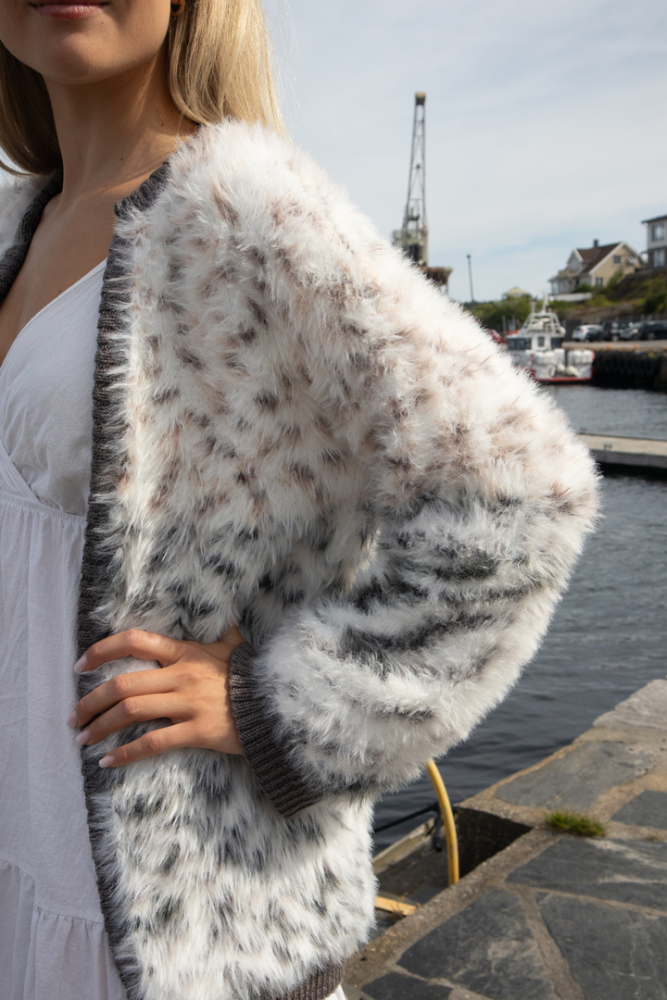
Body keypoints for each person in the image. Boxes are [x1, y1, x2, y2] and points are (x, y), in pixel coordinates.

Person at [0, 2, 599, 999]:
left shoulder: (246, 209)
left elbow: (522, 496)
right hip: (22, 842)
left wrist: (282, 706)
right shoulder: (23, 219)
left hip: (170, 916)